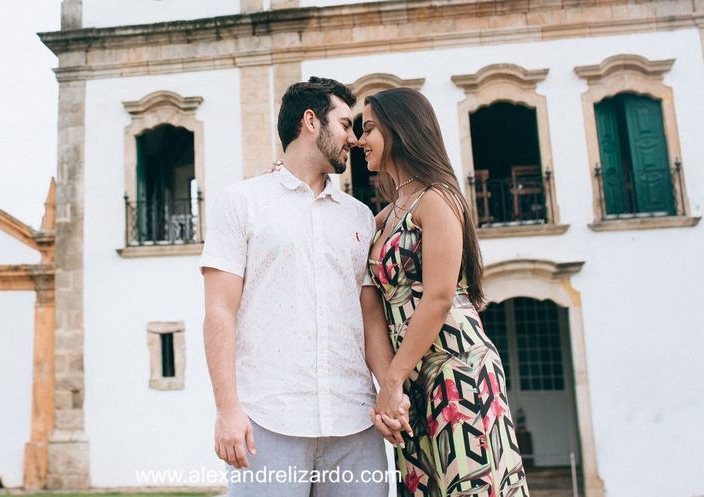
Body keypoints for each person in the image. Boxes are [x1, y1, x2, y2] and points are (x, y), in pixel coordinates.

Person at [200, 77, 407, 496]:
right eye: (346, 124)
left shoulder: (359, 217)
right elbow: (219, 310)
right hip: (268, 420)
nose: (353, 138)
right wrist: (226, 409)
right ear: (311, 121)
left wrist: (390, 391)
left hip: (354, 424)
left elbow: (370, 317)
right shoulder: (242, 203)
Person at [359, 87, 529, 496]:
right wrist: (392, 389)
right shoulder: (382, 218)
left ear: (398, 131)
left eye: (369, 129)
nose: (359, 141)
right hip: (411, 382)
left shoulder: (437, 199)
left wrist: (392, 382)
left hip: (459, 370)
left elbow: (438, 297)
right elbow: (370, 308)